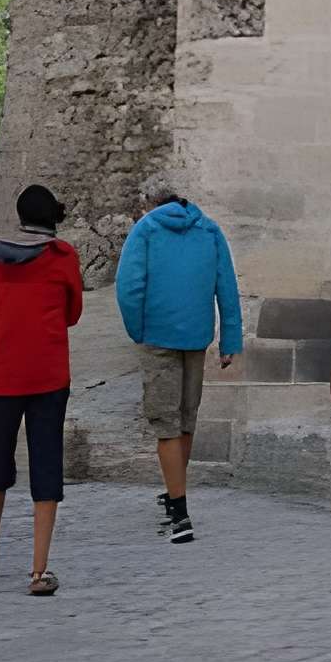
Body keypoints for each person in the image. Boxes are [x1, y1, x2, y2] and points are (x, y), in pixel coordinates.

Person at [0, 184, 83, 595]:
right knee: (46, 461)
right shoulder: (64, 258)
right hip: (49, 375)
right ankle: (38, 570)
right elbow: (73, 313)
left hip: (4, 375)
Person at [115, 171, 241, 544]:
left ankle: (179, 513)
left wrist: (137, 329)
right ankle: (175, 491)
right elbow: (227, 285)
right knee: (187, 418)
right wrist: (230, 338)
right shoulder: (210, 229)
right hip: (197, 335)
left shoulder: (146, 229)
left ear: (150, 203)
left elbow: (129, 286)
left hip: (158, 334)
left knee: (165, 423)